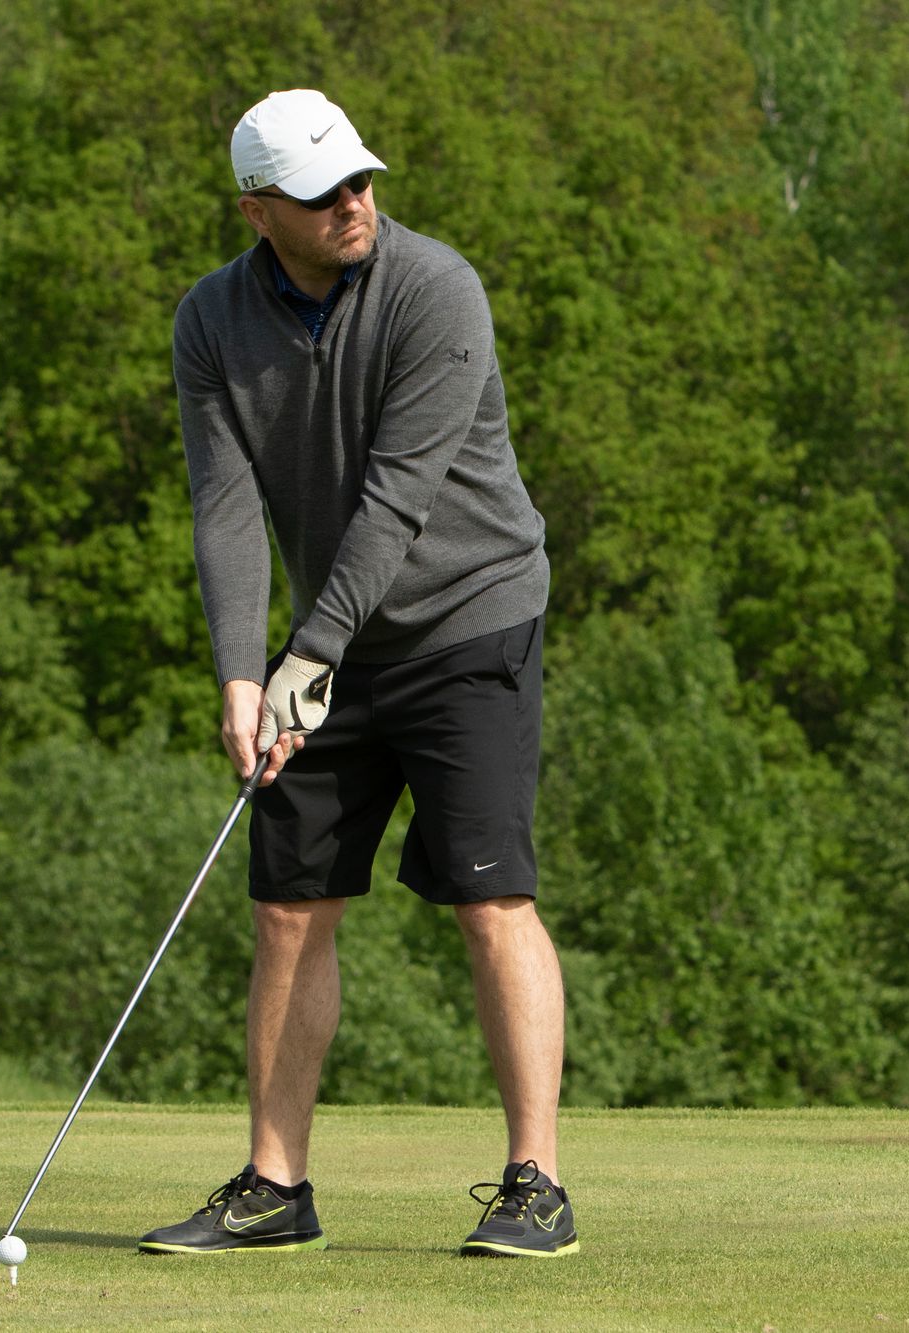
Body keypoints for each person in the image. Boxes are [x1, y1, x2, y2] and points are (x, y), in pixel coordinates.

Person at [138, 89, 575, 1260]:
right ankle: (274, 1187)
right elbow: (225, 507)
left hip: (469, 620)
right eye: (322, 191)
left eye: (360, 179)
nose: (353, 202)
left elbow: (398, 497)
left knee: (490, 898)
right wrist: (241, 676)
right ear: (257, 209)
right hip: (325, 647)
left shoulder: (435, 290)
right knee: (287, 906)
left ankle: (534, 1183)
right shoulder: (210, 320)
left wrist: (308, 651)